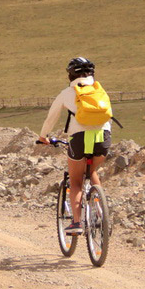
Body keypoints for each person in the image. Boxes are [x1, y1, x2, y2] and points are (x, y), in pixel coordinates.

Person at [38, 57, 112, 235]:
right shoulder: (99, 90)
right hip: (104, 136)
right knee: (92, 170)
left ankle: (77, 222)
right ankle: (102, 214)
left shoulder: (67, 93)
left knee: (76, 181)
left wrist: (43, 136)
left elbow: (52, 117)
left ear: (70, 75)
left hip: (78, 138)